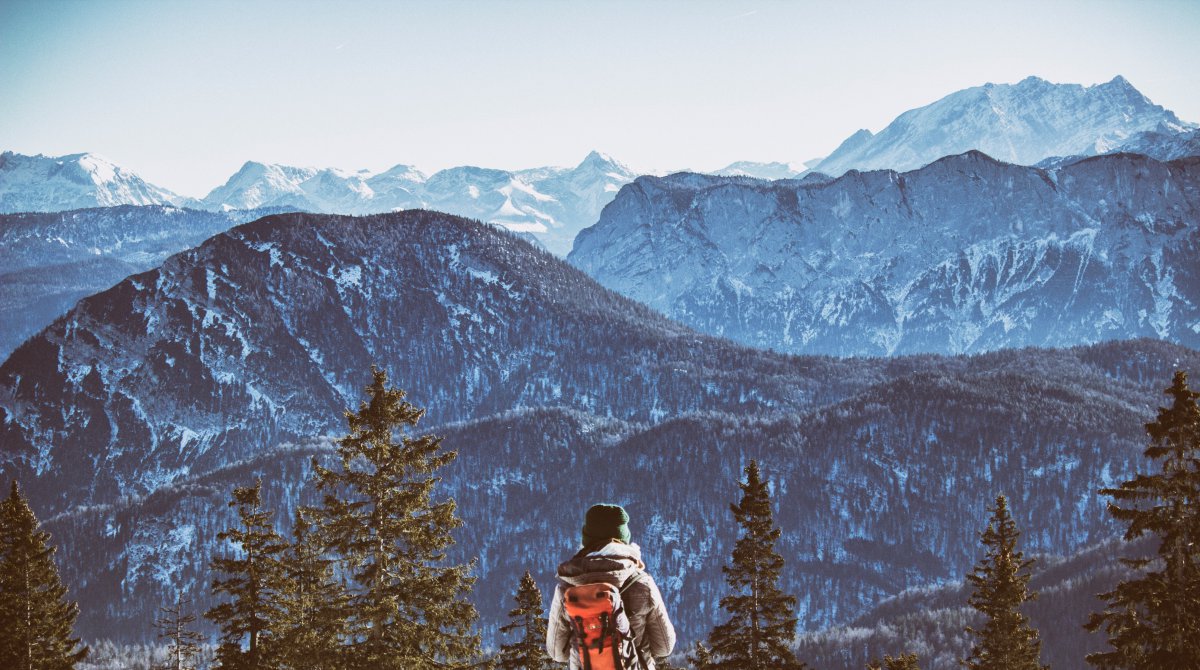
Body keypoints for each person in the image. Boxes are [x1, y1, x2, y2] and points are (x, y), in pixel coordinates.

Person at [546, 503, 676, 669]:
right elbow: (664, 647)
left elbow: (557, 652)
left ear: (586, 539)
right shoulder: (643, 584)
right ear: (624, 537)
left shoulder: (567, 588)